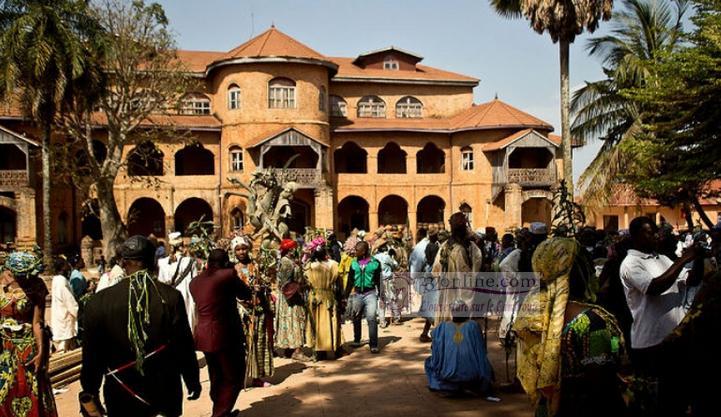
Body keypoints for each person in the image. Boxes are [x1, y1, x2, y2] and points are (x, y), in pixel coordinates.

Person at [80, 235, 201, 417]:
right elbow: (183, 344)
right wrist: (192, 380)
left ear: (122, 263)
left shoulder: (99, 302)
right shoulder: (170, 297)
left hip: (120, 392)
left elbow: (92, 354)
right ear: (154, 262)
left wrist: (90, 390)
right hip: (164, 390)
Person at [514, 238, 627, 417]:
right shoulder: (593, 322)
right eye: (585, 263)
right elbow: (602, 383)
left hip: (548, 408)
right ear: (573, 271)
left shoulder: (531, 314)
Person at [620, 216, 703, 416]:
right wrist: (684, 259)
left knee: (678, 398)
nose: (656, 235)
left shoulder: (663, 259)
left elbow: (691, 281)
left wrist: (698, 258)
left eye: (655, 231)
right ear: (637, 236)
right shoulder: (631, 263)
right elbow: (654, 287)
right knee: (657, 402)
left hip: (675, 340)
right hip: (651, 343)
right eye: (650, 232)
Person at [190, 249, 251, 417]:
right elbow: (246, 293)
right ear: (225, 262)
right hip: (225, 333)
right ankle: (220, 413)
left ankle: (220, 407)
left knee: (215, 375)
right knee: (234, 375)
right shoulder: (227, 275)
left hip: (203, 334)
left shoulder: (195, 281)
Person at [0, 251, 58, 417]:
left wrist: (40, 352)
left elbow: (37, 322)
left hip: (26, 347)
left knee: (28, 388)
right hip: (4, 348)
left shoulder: (36, 285)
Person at [425, 300, 495, 398]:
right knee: (483, 361)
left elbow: (434, 347)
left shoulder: (443, 327)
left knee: (429, 362)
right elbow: (481, 352)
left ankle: (449, 385)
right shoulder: (473, 326)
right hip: (472, 376)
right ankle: (471, 384)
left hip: (448, 376)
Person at [232, 236, 274, 387]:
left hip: (258, 310)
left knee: (258, 341)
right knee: (242, 345)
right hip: (241, 311)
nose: (241, 252)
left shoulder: (256, 266)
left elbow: (265, 283)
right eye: (238, 249)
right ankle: (239, 377)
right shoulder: (232, 269)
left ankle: (257, 377)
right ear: (234, 251)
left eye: (244, 248)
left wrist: (261, 288)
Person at [431, 212, 483, 322]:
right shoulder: (466, 248)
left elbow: (435, 270)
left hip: (446, 293)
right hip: (460, 298)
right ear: (465, 228)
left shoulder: (445, 245)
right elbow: (470, 278)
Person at [305, 244, 343, 358]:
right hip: (328, 296)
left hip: (314, 297)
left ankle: (318, 351)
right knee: (330, 321)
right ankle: (334, 346)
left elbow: (305, 282)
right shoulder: (333, 265)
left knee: (315, 322)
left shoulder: (310, 266)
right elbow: (338, 282)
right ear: (325, 255)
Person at [158, 232, 198, 335]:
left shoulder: (162, 262)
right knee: (188, 317)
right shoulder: (190, 261)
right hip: (186, 293)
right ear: (181, 245)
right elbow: (195, 281)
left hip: (168, 294)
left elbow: (160, 282)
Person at [345, 240, 382, 353]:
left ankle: (374, 344)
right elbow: (350, 281)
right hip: (357, 294)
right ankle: (357, 340)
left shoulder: (375, 263)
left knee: (371, 318)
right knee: (356, 316)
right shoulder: (353, 264)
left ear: (364, 251)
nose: (355, 252)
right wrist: (345, 295)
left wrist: (381, 293)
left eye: (357, 250)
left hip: (370, 294)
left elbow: (378, 280)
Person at [275, 239, 307, 360]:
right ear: (290, 249)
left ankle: (289, 349)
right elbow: (286, 283)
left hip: (289, 297)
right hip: (290, 298)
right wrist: (299, 285)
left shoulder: (289, 261)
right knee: (295, 322)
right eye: (294, 248)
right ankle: (297, 350)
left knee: (289, 322)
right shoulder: (286, 263)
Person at [51, 257, 79, 353]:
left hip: (61, 316)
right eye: (66, 264)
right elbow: (68, 300)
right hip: (64, 318)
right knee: (63, 348)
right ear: (62, 267)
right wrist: (78, 311)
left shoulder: (57, 280)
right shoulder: (61, 281)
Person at [374, 238, 400, 327]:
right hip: (388, 280)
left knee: (381, 300)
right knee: (392, 298)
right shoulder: (386, 257)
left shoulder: (374, 257)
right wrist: (393, 258)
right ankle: (396, 318)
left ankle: (382, 321)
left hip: (379, 281)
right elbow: (395, 265)